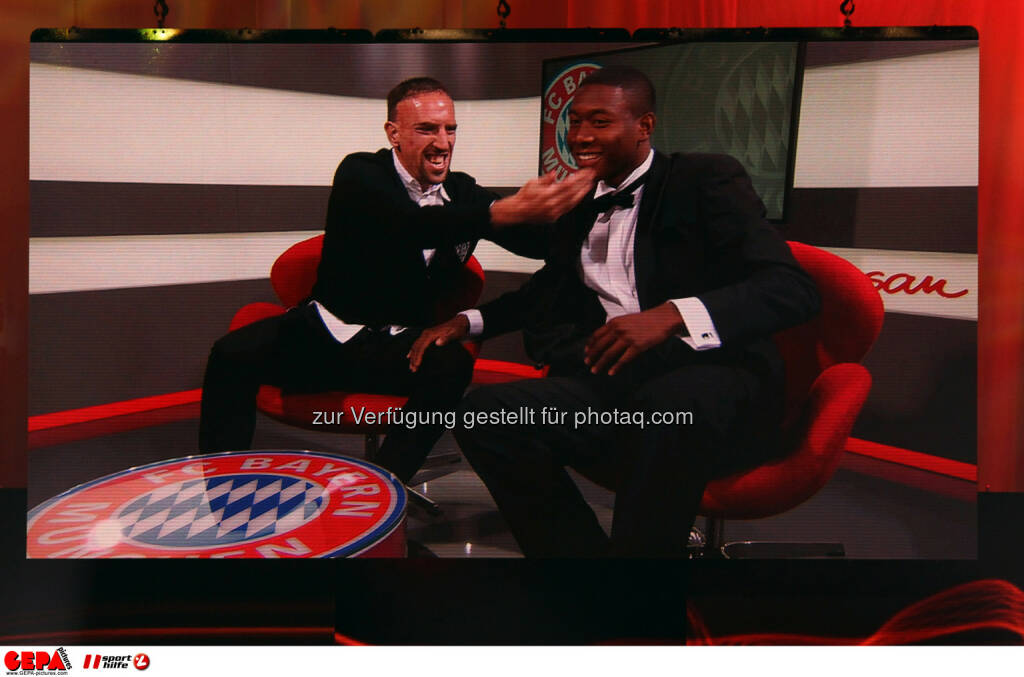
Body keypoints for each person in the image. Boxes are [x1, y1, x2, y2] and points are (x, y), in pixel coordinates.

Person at [409, 66, 820, 557]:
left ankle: (636, 597)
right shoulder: (578, 202)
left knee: (668, 408)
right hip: (617, 383)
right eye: (575, 121)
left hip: (713, 376)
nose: (581, 136)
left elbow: (791, 289)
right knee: (486, 414)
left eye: (600, 121)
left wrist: (672, 315)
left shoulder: (705, 179)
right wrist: (467, 322)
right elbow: (547, 290)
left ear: (643, 126)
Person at [198, 76, 594, 485]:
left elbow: (538, 243)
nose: (443, 143)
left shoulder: (464, 195)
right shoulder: (360, 174)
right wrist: (500, 212)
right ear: (395, 134)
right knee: (231, 354)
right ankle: (220, 487)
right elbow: (407, 224)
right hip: (322, 337)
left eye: (450, 128)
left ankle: (384, 486)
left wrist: (577, 212)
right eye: (427, 129)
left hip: (398, 349)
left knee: (453, 363)